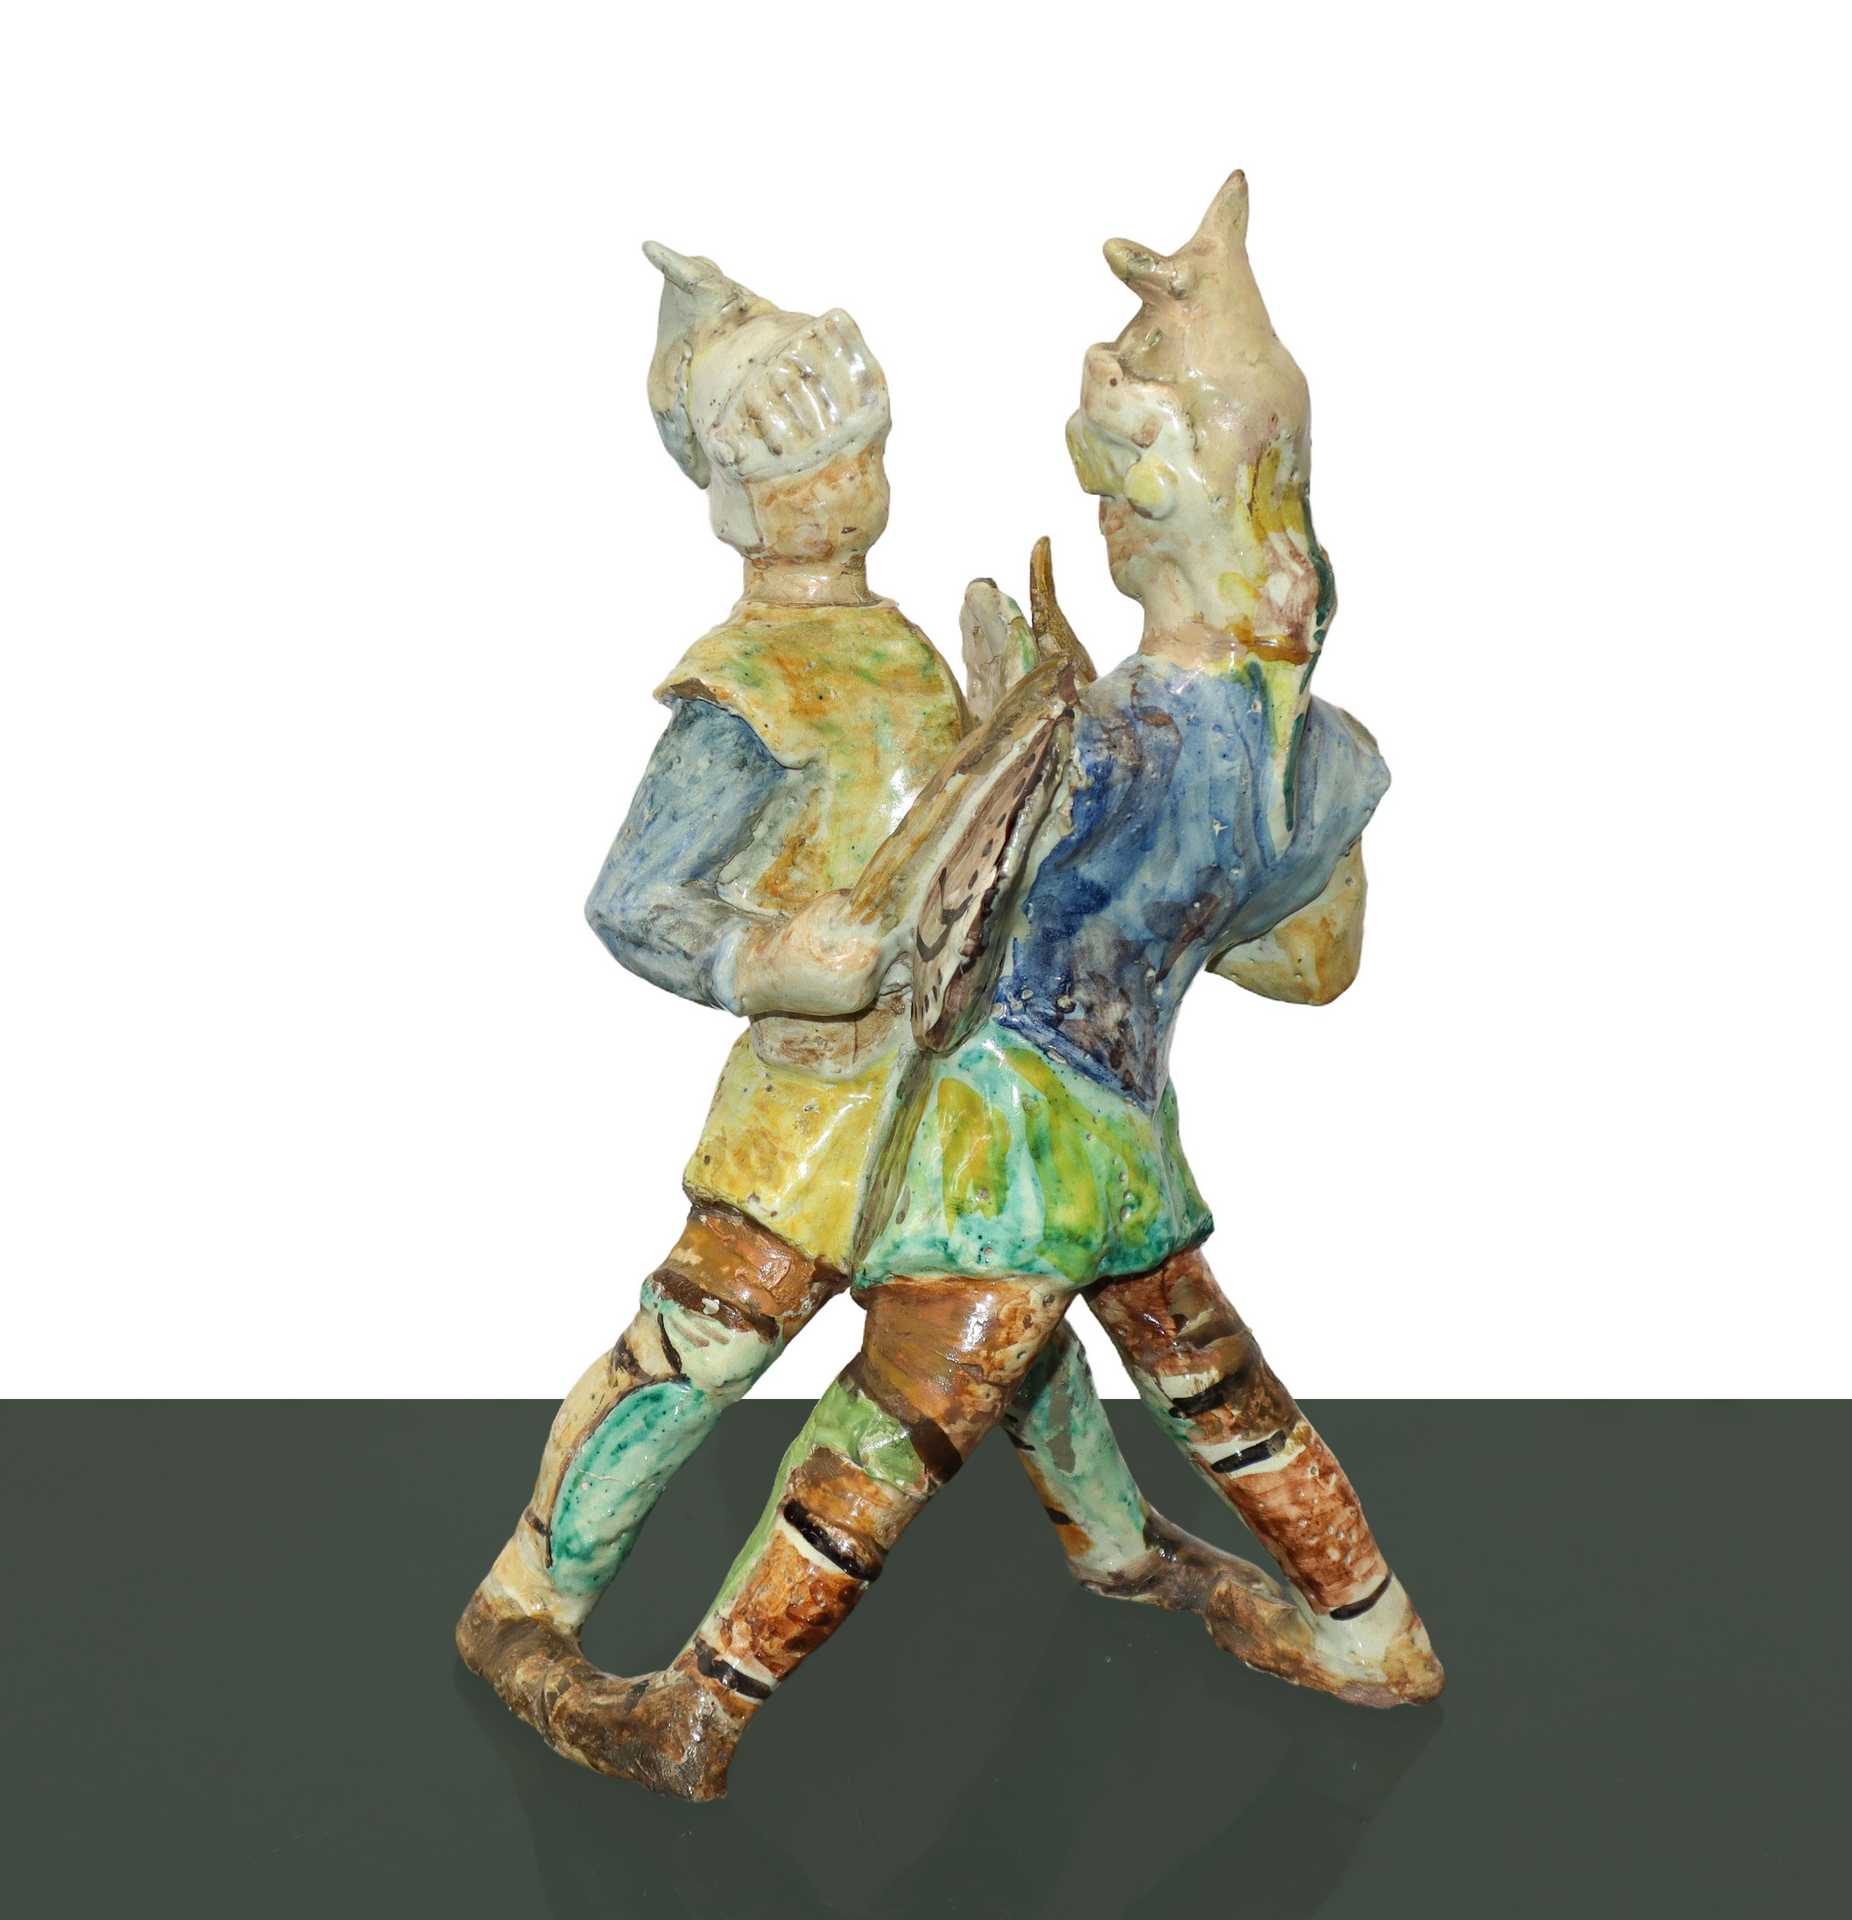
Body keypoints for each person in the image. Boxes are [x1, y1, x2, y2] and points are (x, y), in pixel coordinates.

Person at [567, 175, 1445, 1803]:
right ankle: (1352, 1619)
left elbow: (966, 920)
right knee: (1207, 1379)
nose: (1103, 530)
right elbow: (1312, 965)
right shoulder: (1317, 747)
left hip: (1010, 1149)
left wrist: (1004, 753)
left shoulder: (1111, 743)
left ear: (1159, 517)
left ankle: (698, 1708)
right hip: (1129, 1121)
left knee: (895, 1426)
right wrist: (1168, 913)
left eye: (1116, 507)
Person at [456, 241, 1282, 1772]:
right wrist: (776, 957)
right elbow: (635, 901)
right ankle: (524, 1600)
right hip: (803, 1115)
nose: (847, 492)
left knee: (1017, 1324)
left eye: (863, 458)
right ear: (738, 503)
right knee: (693, 1358)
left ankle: (1110, 1543)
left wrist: (1018, 729)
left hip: (937, 1092)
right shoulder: (745, 686)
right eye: (808, 471)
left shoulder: (888, 643)